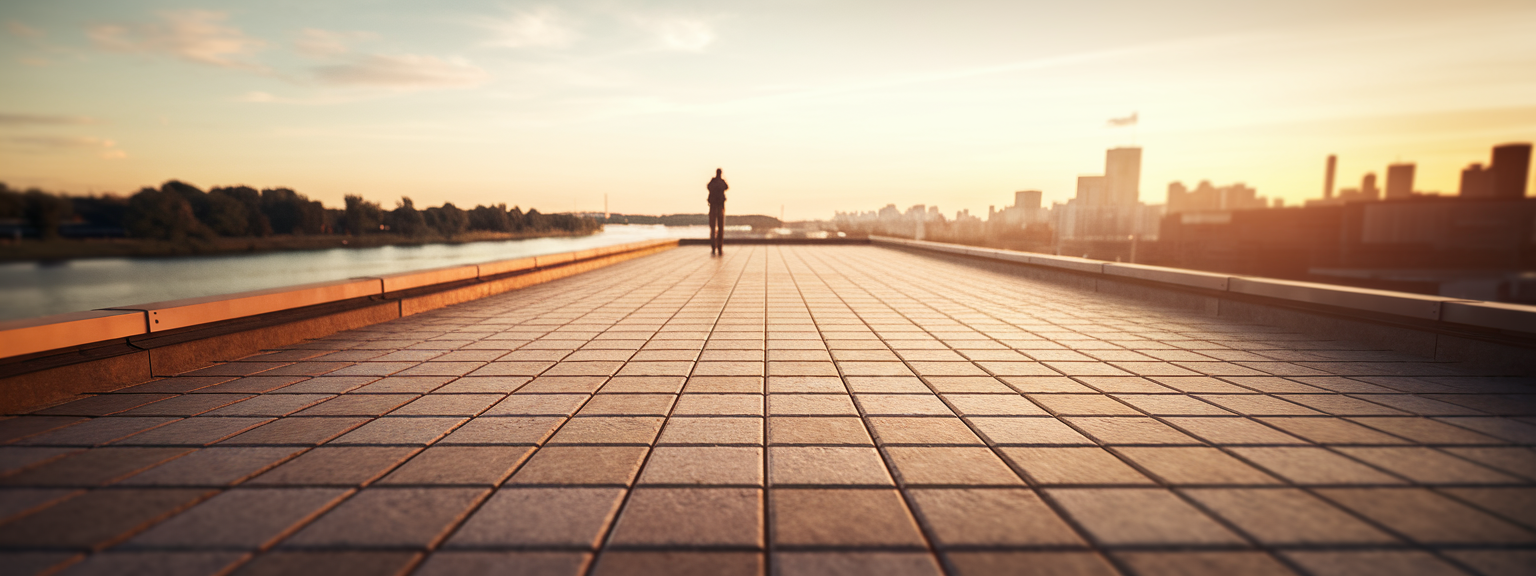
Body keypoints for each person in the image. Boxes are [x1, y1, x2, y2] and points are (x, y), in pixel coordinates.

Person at [706, 168, 728, 255]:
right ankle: (719, 247)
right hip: (719, 207)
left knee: (713, 228)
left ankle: (714, 247)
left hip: (713, 207)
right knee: (720, 227)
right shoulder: (720, 182)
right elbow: (726, 187)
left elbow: (708, 187)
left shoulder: (713, 182)